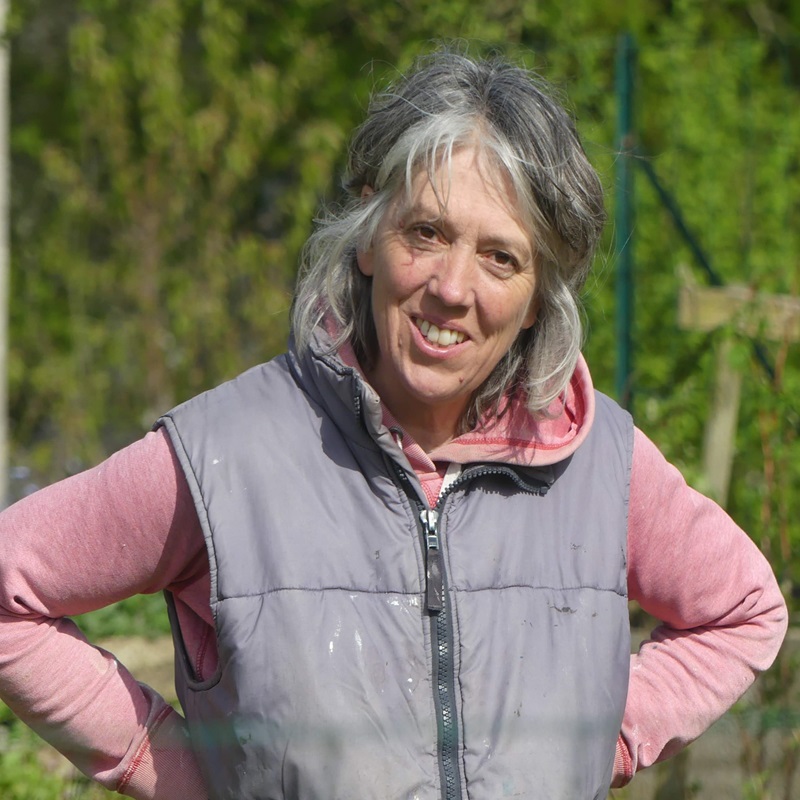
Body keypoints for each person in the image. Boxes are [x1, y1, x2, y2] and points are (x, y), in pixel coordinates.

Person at [0, 50, 788, 800]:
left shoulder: (600, 463)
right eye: (427, 233)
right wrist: (180, 772)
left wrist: (596, 739)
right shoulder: (227, 455)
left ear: (538, 298)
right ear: (371, 238)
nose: (452, 287)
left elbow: (746, 610)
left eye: (501, 258)